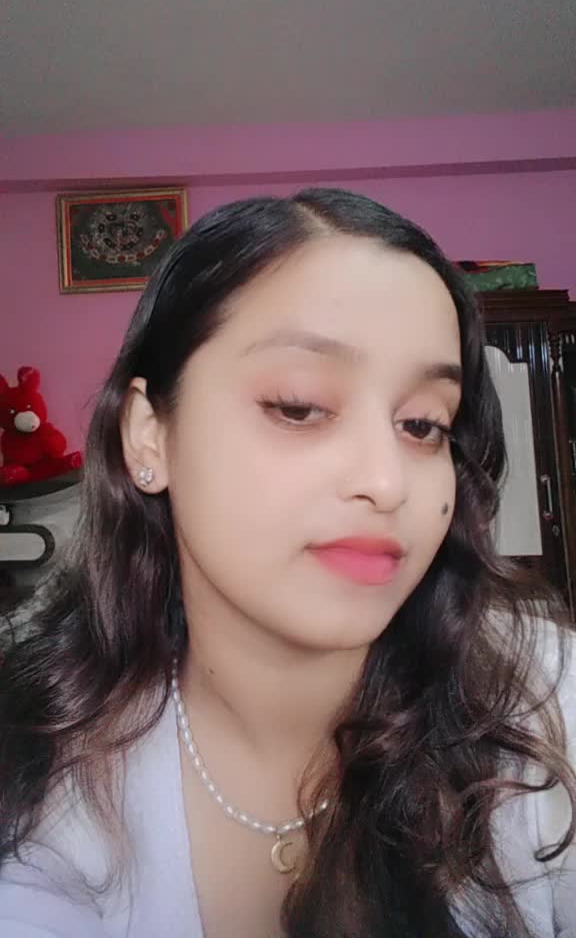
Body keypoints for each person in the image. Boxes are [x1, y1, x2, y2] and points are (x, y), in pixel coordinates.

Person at [0, 189, 574, 938]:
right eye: (298, 406)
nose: (387, 482)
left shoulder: (547, 710)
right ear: (148, 436)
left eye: (423, 424)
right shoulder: (40, 778)